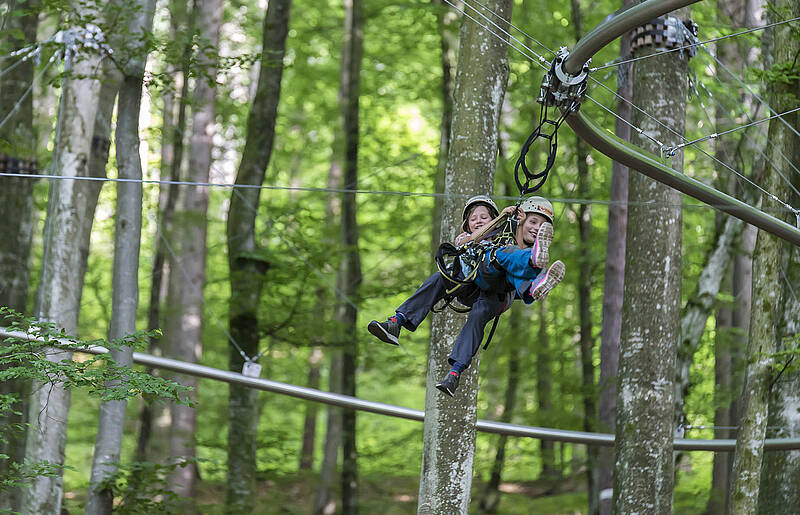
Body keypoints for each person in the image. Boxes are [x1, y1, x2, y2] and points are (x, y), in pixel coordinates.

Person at [368, 195, 566, 397]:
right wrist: (504, 219)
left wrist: (518, 224)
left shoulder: (508, 241)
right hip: (472, 283)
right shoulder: (468, 238)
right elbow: (472, 239)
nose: (479, 221)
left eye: (484, 217)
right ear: (467, 224)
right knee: (440, 278)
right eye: (474, 219)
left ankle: (454, 373)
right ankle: (397, 322)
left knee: (482, 308)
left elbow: (514, 247)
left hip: (497, 295)